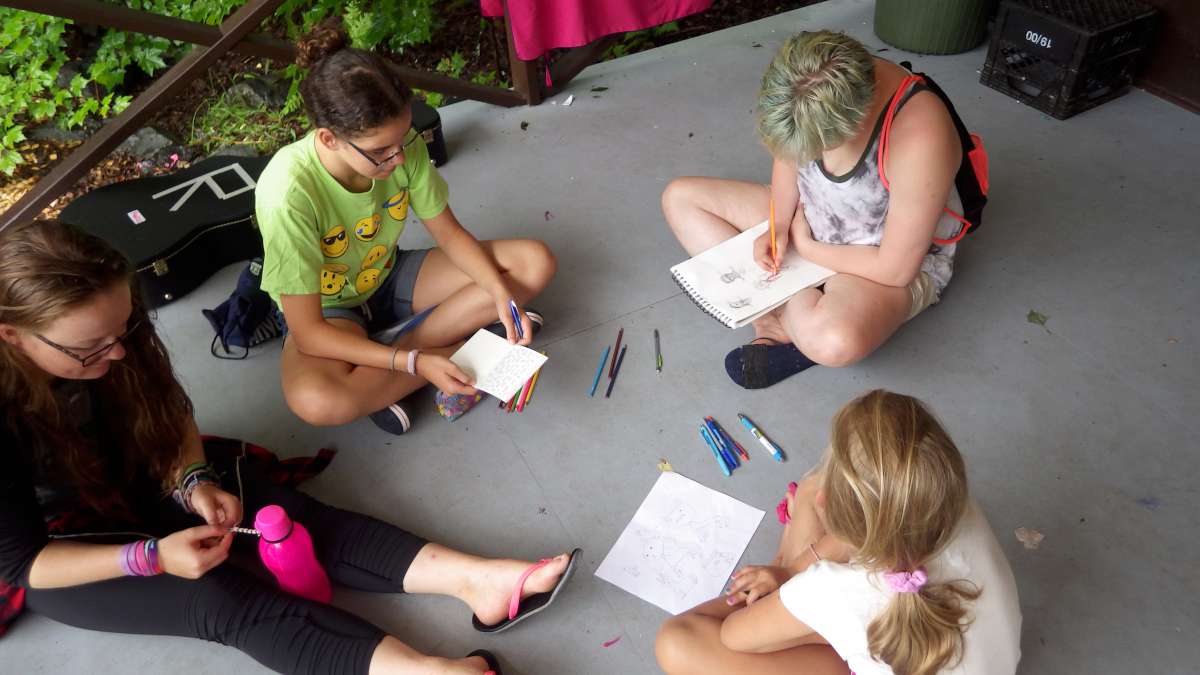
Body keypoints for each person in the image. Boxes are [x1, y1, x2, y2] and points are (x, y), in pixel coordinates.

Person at [0, 219, 580, 675]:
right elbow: (26, 565)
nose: (120, 352)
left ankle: (479, 581)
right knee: (218, 602)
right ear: (11, 334)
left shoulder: (109, 332)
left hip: (136, 468)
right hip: (59, 546)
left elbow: (167, 410)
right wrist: (152, 556)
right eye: (89, 349)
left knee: (282, 520)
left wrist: (194, 479)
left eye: (124, 330)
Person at [256, 18, 557, 434]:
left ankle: (385, 373)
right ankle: (437, 360)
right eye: (382, 152)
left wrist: (497, 290)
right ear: (329, 139)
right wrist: (413, 362)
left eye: (402, 142)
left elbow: (448, 232)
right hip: (330, 310)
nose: (399, 158)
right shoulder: (287, 192)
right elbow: (308, 334)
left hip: (390, 274)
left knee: (532, 263)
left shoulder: (400, 144)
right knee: (317, 400)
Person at [662, 31, 965, 389]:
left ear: (855, 119)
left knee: (835, 341)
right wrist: (778, 225)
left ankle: (779, 317)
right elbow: (788, 157)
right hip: (812, 219)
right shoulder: (805, 83)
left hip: (875, 262)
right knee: (681, 199)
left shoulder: (921, 137)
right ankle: (795, 314)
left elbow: (896, 269)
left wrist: (805, 248)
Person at [655, 390, 1022, 675]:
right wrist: (792, 574)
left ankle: (799, 604)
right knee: (819, 490)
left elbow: (733, 635)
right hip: (971, 659)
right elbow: (880, 521)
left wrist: (785, 568)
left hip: (867, 626)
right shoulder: (953, 506)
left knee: (677, 641)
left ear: (827, 504)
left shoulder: (830, 589)